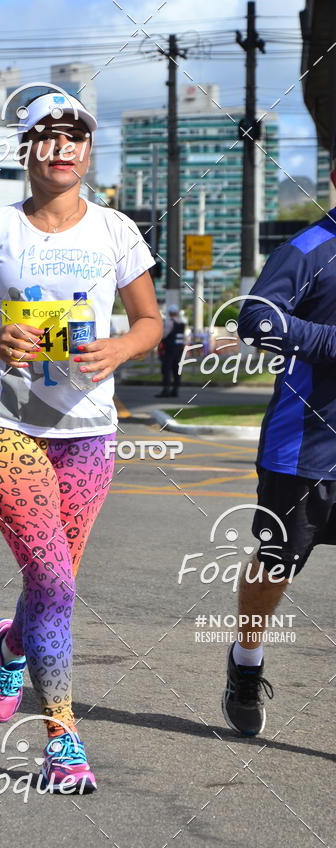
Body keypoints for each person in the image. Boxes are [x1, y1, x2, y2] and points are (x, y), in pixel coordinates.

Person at [0, 91, 161, 792]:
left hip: (88, 433)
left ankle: (10, 643)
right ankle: (62, 740)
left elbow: (150, 321)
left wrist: (120, 348)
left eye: (75, 136)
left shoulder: (116, 230)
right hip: (6, 424)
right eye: (47, 135)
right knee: (57, 582)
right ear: (26, 150)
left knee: (50, 582)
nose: (62, 146)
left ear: (88, 152)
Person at [225, 139, 336, 737]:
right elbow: (256, 319)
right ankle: (246, 662)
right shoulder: (307, 248)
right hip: (304, 450)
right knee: (276, 564)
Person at [156, 305, 185, 398]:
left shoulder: (169, 322)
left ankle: (166, 390)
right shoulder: (182, 322)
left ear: (169, 313)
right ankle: (175, 390)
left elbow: (164, 335)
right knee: (176, 369)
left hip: (170, 348)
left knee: (166, 369)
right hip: (179, 349)